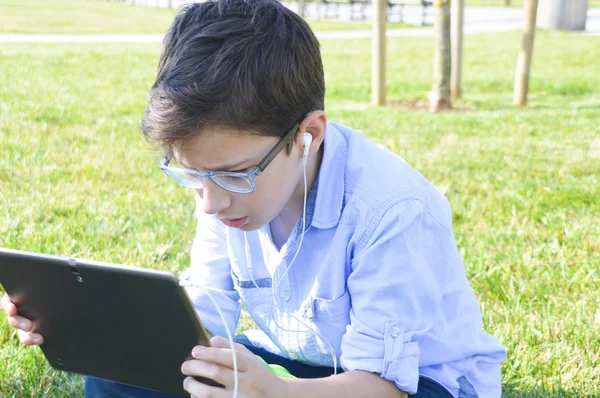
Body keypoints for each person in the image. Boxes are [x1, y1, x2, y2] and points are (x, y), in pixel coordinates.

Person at [1, 0, 507, 397]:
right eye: (193, 174)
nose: (209, 203)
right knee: (123, 381)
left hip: (416, 385)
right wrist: (96, 330)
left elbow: (384, 386)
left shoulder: (391, 210)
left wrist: (277, 393)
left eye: (234, 174)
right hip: (294, 366)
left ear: (308, 133)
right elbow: (206, 315)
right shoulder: (227, 189)